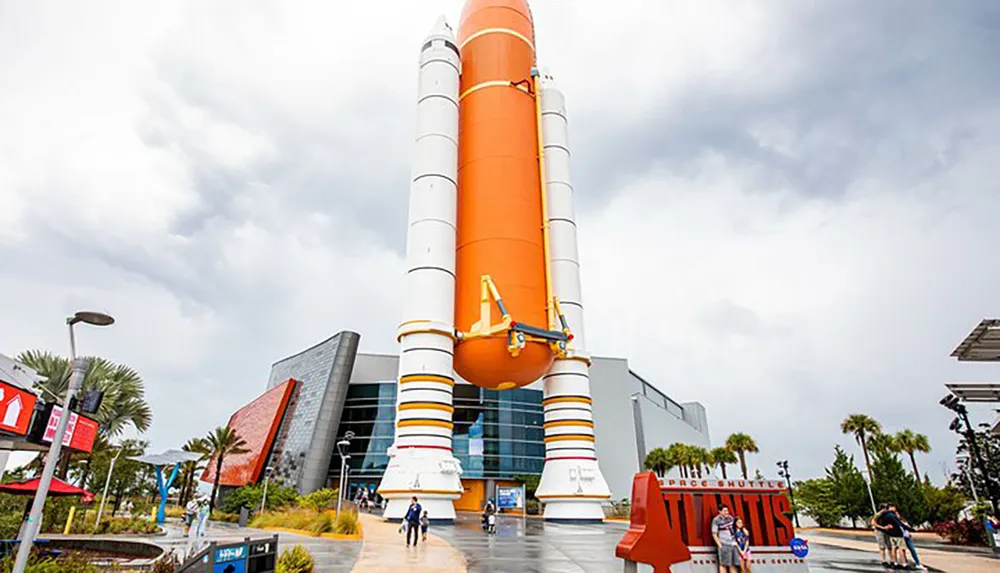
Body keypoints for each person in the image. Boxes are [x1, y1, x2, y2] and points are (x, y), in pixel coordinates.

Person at [711, 504, 739, 573]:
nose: (727, 512)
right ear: (720, 511)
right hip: (724, 544)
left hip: (732, 544)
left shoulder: (730, 518)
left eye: (727, 510)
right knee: (723, 564)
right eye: (725, 511)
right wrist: (720, 545)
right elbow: (714, 534)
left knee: (733, 564)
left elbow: (735, 528)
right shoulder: (716, 520)